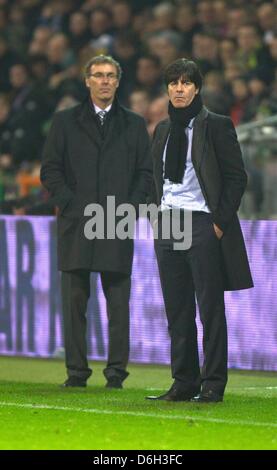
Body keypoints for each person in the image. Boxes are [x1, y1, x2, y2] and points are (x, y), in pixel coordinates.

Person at [41, 55, 152, 389]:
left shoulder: (134, 124)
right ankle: (76, 373)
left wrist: (128, 209)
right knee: (74, 302)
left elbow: (145, 175)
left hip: (116, 222)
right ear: (86, 80)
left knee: (118, 304)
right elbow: (50, 170)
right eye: (98, 75)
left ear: (118, 82)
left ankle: (116, 374)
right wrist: (71, 204)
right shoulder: (64, 122)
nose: (105, 81)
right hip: (77, 222)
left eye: (110, 76)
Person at [147, 58, 253, 403]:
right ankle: (184, 381)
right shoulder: (162, 129)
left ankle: (213, 384)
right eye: (174, 83)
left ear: (197, 88)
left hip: (202, 221)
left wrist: (219, 222)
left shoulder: (217, 125)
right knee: (177, 309)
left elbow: (237, 177)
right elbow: (154, 178)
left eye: (186, 83)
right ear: (167, 88)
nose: (179, 89)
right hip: (168, 223)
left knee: (210, 309)